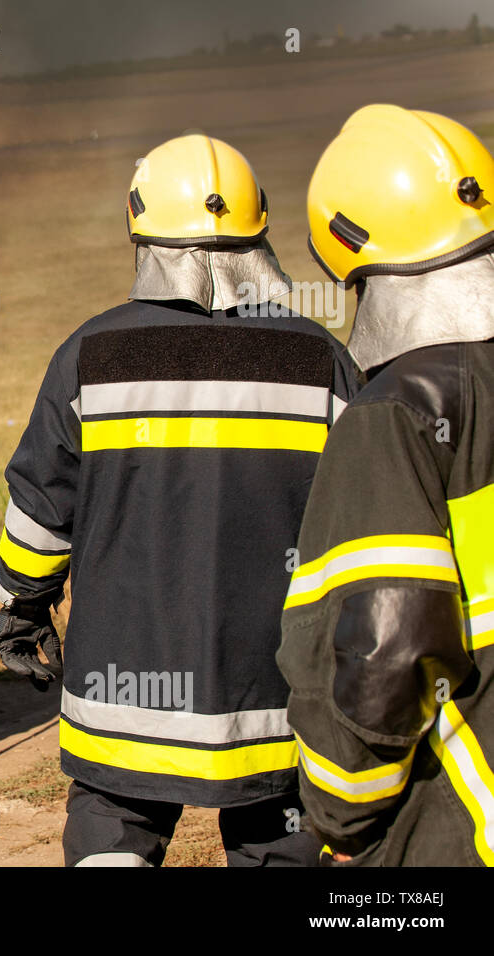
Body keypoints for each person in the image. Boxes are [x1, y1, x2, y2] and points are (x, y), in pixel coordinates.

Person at [0, 134, 358, 866]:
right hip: (271, 702)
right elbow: (366, 515)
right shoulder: (320, 360)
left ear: (139, 228)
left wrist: (22, 608)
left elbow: (40, 511)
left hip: (121, 699)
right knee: (277, 843)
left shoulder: (88, 357)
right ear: (261, 227)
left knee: (111, 838)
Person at [278, 105, 494, 866]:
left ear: (347, 250)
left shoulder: (394, 416)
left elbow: (387, 644)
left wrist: (342, 813)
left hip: (456, 833)